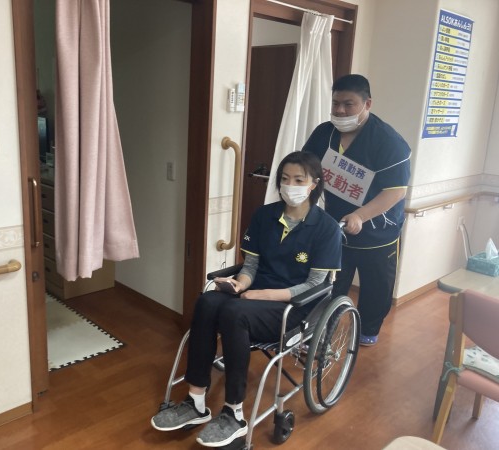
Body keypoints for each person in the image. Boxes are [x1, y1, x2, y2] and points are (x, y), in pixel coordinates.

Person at [150, 152, 342, 447]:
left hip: (293, 307)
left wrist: (263, 294)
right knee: (207, 301)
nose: (290, 186)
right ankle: (196, 401)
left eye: (298, 180)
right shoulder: (265, 216)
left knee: (234, 314)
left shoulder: (326, 228)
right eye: (285, 179)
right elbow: (251, 266)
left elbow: (315, 284)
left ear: (314, 184)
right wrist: (239, 284)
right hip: (252, 296)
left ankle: (234, 412)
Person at [302, 74, 411, 347]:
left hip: (378, 229)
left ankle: (368, 329)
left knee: (376, 287)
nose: (340, 110)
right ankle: (323, 328)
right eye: (335, 103)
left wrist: (360, 215)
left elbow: (396, 191)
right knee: (331, 281)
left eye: (348, 104)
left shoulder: (388, 141)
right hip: (335, 226)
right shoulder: (324, 133)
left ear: (367, 104)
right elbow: (306, 168)